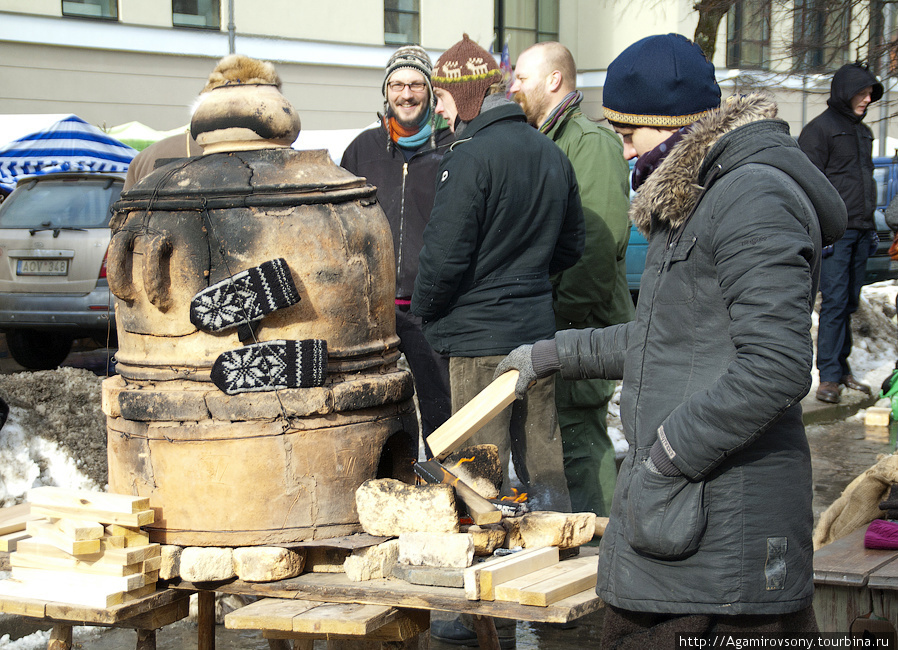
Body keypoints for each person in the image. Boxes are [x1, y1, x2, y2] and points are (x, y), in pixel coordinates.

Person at [494, 33, 846, 642]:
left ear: (670, 124)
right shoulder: (702, 195)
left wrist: (665, 456)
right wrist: (553, 355)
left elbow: (778, 365)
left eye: (630, 135)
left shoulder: (751, 195)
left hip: (724, 535)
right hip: (688, 526)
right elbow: (668, 338)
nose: (626, 153)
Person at [413, 33, 583, 650]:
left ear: (460, 97)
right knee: (541, 461)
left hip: (478, 339)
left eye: (442, 99)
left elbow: (444, 254)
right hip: (535, 334)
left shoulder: (472, 155)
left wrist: (428, 317)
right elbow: (571, 247)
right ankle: (557, 578)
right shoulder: (550, 154)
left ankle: (475, 614)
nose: (438, 112)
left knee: (478, 475)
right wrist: (527, 279)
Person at [510, 41, 633, 517]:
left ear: (554, 80)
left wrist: (558, 326)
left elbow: (597, 253)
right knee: (556, 449)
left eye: (522, 77)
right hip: (553, 327)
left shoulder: (591, 145)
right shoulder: (541, 141)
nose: (513, 86)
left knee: (580, 445)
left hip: (580, 330)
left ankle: (599, 558)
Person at [341, 45, 453, 452]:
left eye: (416, 84)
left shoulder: (452, 148)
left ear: (431, 92)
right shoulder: (361, 150)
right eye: (397, 84)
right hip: (374, 305)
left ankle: (445, 490)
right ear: (385, 92)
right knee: (371, 405)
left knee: (441, 409)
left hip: (431, 307)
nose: (406, 94)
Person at [798, 63, 883, 404]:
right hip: (836, 233)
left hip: (863, 229)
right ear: (846, 93)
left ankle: (842, 367)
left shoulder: (863, 132)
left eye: (869, 95)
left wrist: (871, 226)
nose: (867, 100)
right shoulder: (820, 130)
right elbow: (807, 183)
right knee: (833, 303)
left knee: (848, 302)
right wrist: (820, 230)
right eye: (862, 94)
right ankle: (828, 377)